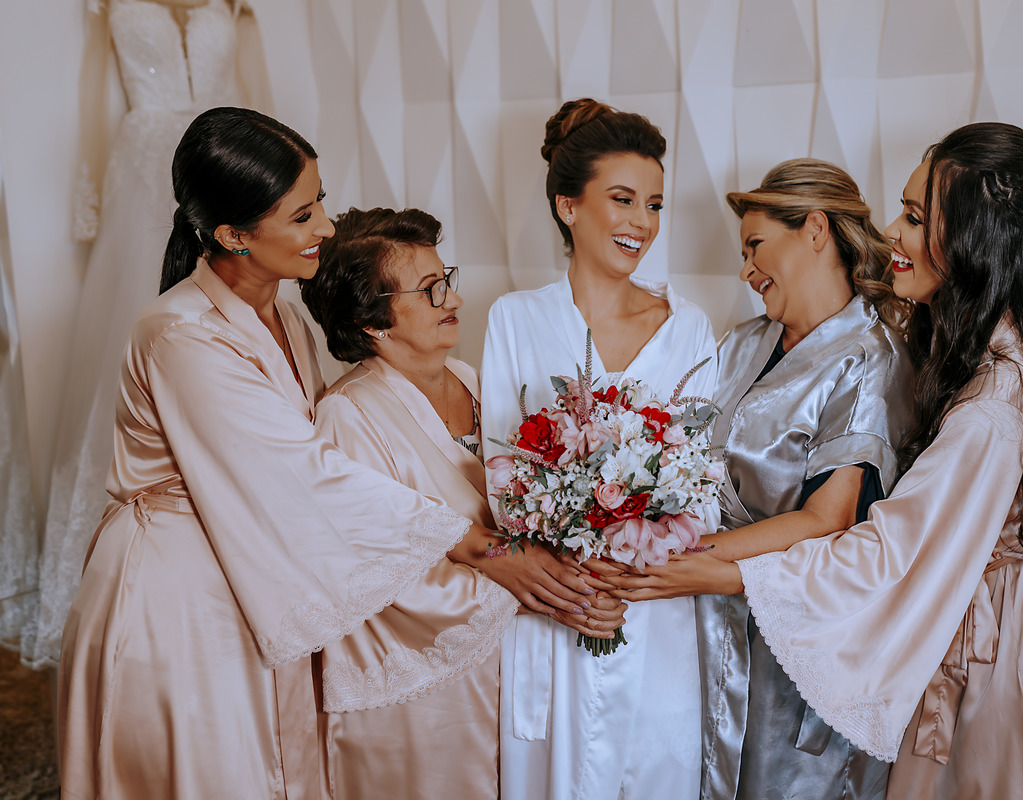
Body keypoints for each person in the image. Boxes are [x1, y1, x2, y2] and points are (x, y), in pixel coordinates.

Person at [57, 107, 599, 800]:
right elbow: (300, 473)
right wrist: (480, 548)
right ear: (233, 235)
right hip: (183, 588)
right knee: (217, 770)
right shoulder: (178, 335)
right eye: (302, 215)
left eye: (322, 202)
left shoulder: (286, 315)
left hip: (261, 557)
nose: (326, 229)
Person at [685, 122, 1023, 798]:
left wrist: (720, 574)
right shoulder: (978, 341)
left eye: (914, 216)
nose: (891, 233)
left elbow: (887, 550)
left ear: (973, 238)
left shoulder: (989, 401)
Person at [607, 158, 915, 798]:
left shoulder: (870, 358)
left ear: (816, 230)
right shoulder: (744, 341)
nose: (746, 271)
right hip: (703, 625)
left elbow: (827, 518)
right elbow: (677, 454)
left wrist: (676, 558)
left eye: (755, 246)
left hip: (798, 646)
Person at [298, 206, 624, 799]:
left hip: (510, 666)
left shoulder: (477, 380)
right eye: (430, 291)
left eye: (445, 279)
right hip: (420, 691)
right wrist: (533, 587)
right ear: (373, 321)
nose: (455, 300)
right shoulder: (347, 417)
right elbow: (371, 574)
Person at [480, 98, 718, 800]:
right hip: (557, 606)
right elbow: (502, 475)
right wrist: (573, 575)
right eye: (622, 200)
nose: (641, 223)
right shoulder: (515, 320)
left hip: (653, 610)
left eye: (653, 205)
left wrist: (630, 564)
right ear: (567, 205)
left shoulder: (690, 329)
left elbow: (701, 484)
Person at [32, 0, 268, 670]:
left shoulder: (234, 5)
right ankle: (125, 546)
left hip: (224, 163)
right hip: (141, 168)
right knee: (144, 326)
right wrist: (90, 191)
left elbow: (258, 98)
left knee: (233, 316)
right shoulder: (111, 5)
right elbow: (91, 96)